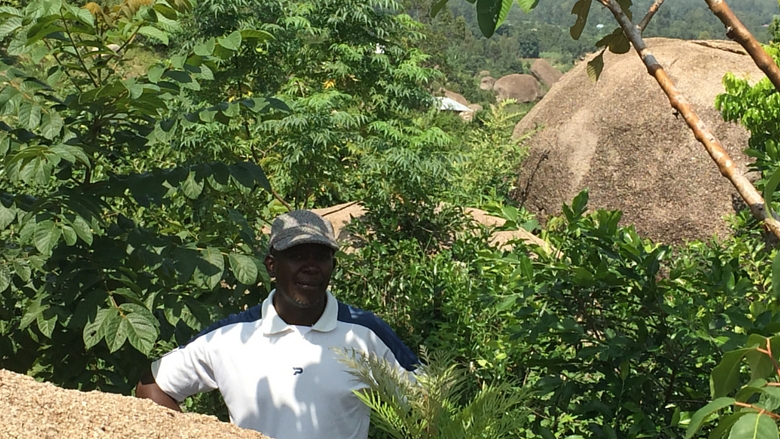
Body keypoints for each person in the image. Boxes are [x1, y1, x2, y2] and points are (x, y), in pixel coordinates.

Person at [135, 210, 418, 439]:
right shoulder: (230, 338)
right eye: (296, 256)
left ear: (333, 266)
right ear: (271, 265)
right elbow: (153, 385)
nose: (310, 266)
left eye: (321, 257)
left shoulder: (365, 334)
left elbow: (427, 405)